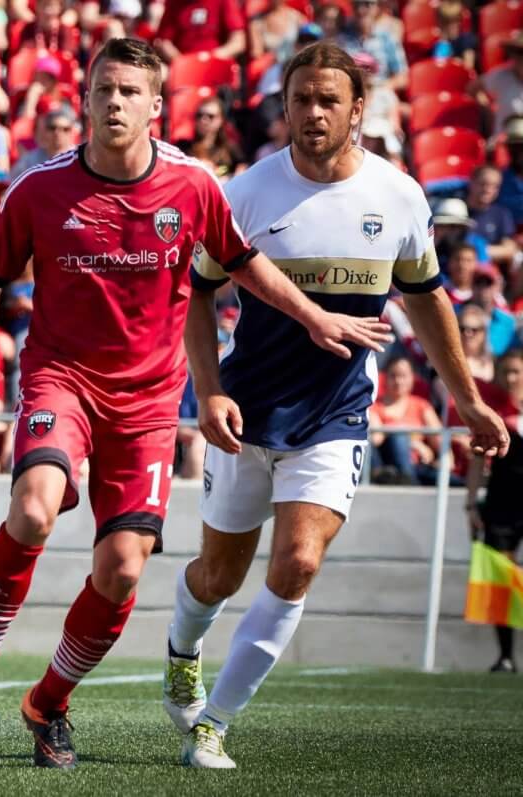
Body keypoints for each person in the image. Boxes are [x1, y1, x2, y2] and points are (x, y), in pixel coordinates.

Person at [0, 37, 392, 770]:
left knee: (125, 568)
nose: (113, 102)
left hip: (147, 405)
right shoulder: (38, 189)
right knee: (35, 508)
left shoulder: (193, 187)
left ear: (157, 107)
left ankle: (48, 700)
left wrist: (315, 316)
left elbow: (246, 264)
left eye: (130, 91)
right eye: (103, 89)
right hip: (60, 380)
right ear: (84, 98)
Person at [161, 42, 509, 769]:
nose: (313, 113)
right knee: (217, 576)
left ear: (357, 109)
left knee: (297, 562)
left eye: (328, 100)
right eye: (300, 99)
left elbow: (427, 299)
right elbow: (195, 293)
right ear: (282, 106)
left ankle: (214, 722)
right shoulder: (245, 192)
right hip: (247, 410)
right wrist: (211, 390)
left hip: (336, 414)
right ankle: (181, 649)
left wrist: (469, 400)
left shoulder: (399, 195)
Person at [466, 349, 523, 673]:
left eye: (516, 371)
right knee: (502, 581)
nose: (510, 379)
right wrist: (471, 503)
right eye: (505, 372)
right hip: (501, 506)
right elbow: (477, 459)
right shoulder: (493, 414)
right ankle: (505, 656)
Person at [369, 356, 442, 485]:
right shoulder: (374, 406)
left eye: (403, 376)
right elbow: (375, 438)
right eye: (393, 376)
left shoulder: (422, 406)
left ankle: (409, 480)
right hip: (387, 467)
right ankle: (408, 482)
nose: (398, 381)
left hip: (419, 466)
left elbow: (440, 441)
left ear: (412, 378)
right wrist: (413, 444)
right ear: (386, 377)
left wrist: (444, 461)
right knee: (399, 438)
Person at [337, 0, 407, 92]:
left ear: (377, 8)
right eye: (356, 5)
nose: (361, 10)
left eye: (367, 4)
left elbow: (402, 78)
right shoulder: (342, 38)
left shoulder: (387, 38)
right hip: (350, 91)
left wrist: (382, 88)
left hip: (380, 92)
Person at [154, 0, 246, 63]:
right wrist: (183, 62)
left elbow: (238, 42)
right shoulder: (174, 3)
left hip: (215, 66)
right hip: (181, 67)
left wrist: (209, 58)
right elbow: (163, 42)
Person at [466, 165, 518, 272]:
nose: (488, 190)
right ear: (471, 182)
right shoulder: (456, 208)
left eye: (495, 186)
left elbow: (509, 249)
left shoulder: (501, 214)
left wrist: (481, 251)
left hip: (487, 275)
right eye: (483, 184)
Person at [10, 107, 76, 178]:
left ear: (71, 132)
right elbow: (11, 182)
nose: (57, 133)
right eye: (52, 128)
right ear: (45, 131)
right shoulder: (30, 160)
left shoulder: (79, 158)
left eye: (65, 129)